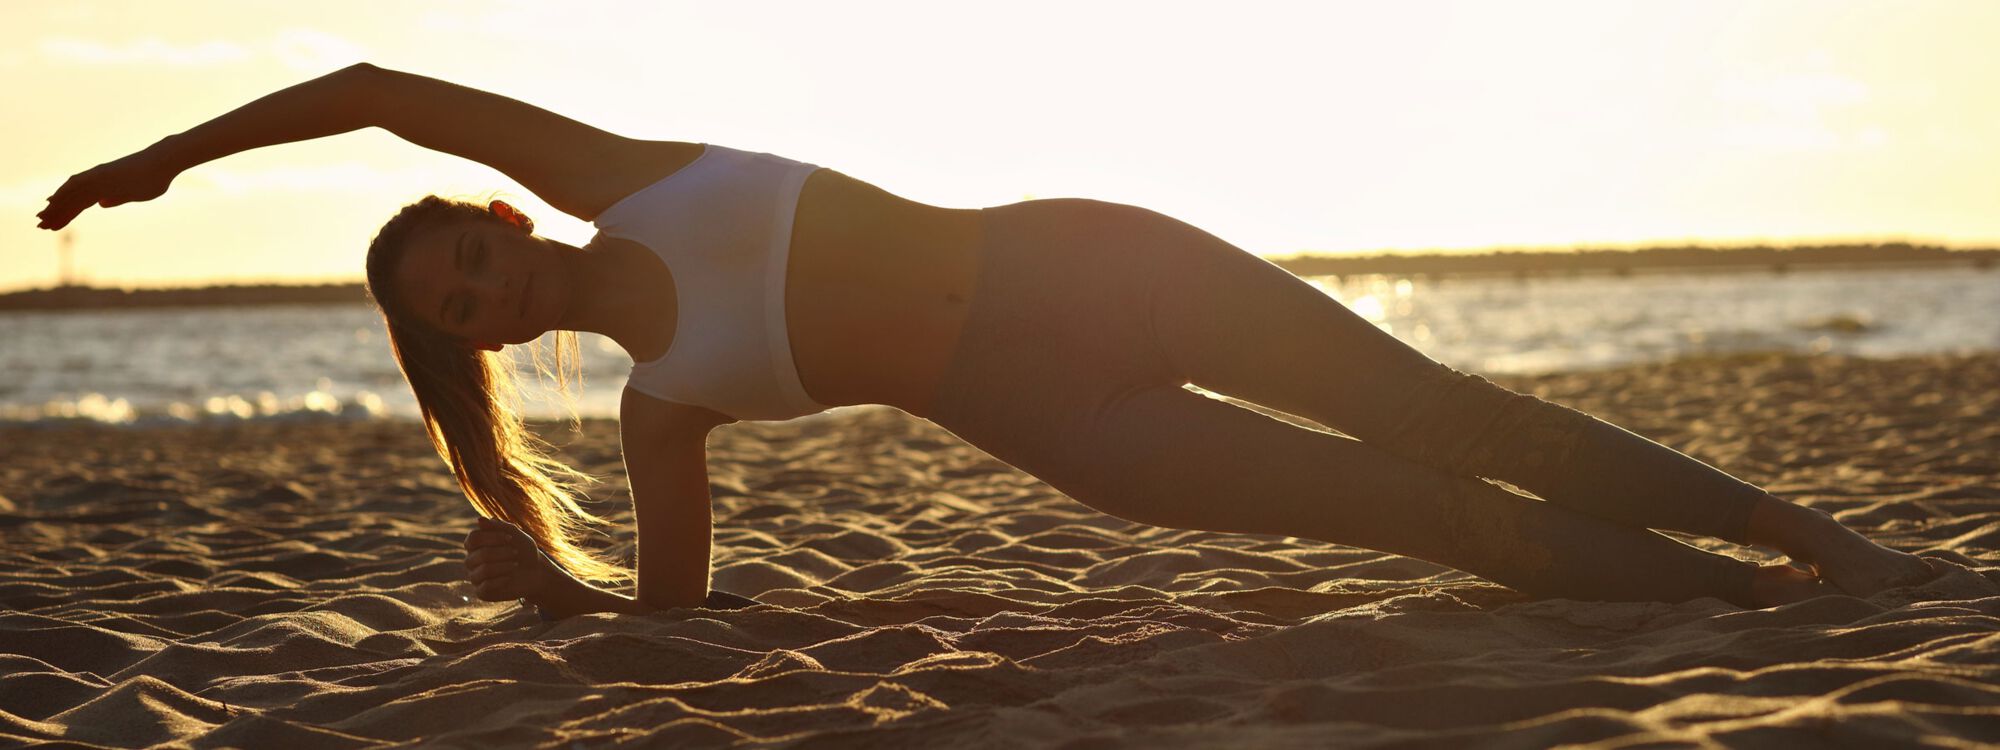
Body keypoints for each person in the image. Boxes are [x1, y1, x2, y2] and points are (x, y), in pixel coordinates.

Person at [36, 64, 1937, 619]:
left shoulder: (629, 179)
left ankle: (1822, 540)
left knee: (1448, 412)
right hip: (1061, 428)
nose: (483, 295)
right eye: (454, 315)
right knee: (1423, 515)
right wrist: (551, 596)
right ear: (471, 338)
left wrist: (168, 156)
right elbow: (683, 627)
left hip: (1091, 267)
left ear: (508, 222)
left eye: (470, 260)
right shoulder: (661, 410)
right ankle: (1745, 601)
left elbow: (376, 85)